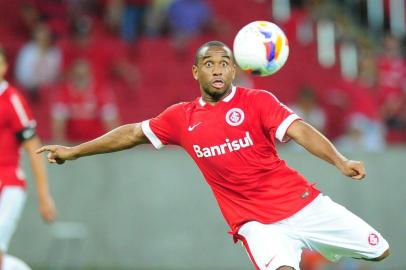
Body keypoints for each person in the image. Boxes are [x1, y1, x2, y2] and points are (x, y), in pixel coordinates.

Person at [37, 41, 390, 270]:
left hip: (304, 204)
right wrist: (74, 151)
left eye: (224, 63)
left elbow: (301, 131)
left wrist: (340, 161)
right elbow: (130, 133)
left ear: (234, 70)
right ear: (196, 71)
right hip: (256, 224)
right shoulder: (180, 117)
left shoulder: (258, 102)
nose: (217, 69)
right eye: (209, 63)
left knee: (381, 251)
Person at [0, 47, 57, 270]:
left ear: (4, 67)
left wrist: (44, 196)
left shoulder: (11, 100)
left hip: (7, 185)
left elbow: (33, 147)